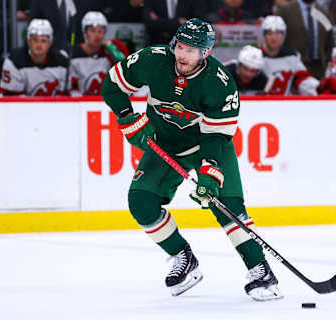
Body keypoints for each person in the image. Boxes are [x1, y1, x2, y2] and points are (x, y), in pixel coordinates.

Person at [101, 18, 283, 301]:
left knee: (227, 206)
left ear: (205, 53)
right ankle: (183, 259)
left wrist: (209, 172)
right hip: (164, 145)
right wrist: (128, 118)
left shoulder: (220, 83)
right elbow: (112, 86)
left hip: (205, 145)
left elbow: (216, 136)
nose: (182, 55)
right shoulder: (153, 60)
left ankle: (260, 270)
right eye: (180, 47)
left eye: (191, 50)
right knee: (141, 202)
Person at [0, 19, 68, 96]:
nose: (39, 44)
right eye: (35, 40)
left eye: (43, 40)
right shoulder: (14, 62)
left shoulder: (61, 62)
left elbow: (63, 97)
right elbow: (10, 98)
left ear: (50, 43)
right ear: (28, 41)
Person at [68, 11, 128, 96]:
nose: (97, 35)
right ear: (84, 32)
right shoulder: (73, 54)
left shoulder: (109, 52)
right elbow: (71, 87)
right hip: (80, 103)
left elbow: (125, 76)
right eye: (92, 30)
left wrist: (116, 52)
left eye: (101, 31)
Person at [260, 15, 319, 95]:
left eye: (278, 33)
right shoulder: (255, 55)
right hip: (259, 103)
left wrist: (319, 88)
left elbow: (304, 81)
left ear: (284, 36)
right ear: (264, 35)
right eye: (270, 33)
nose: (274, 38)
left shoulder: (291, 57)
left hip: (285, 104)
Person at [276, 0, 334, 79]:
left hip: (318, 70)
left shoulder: (324, 14)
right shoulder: (285, 11)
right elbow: (276, 39)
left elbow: (329, 42)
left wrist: (325, 63)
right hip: (292, 70)